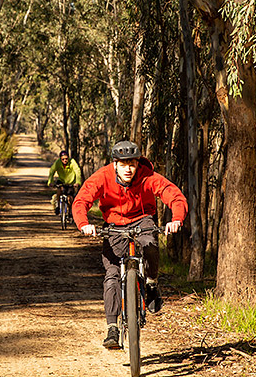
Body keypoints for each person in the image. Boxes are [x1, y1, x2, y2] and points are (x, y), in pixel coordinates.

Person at [71, 140, 187, 349]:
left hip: (143, 219)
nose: (128, 169)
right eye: (123, 164)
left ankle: (151, 282)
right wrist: (84, 224)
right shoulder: (103, 176)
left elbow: (173, 195)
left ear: (138, 163)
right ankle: (112, 328)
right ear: (114, 164)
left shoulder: (147, 176)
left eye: (132, 164)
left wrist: (176, 219)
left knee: (150, 244)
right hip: (114, 224)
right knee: (112, 275)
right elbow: (82, 200)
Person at [46, 150, 82, 215]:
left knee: (70, 197)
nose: (65, 160)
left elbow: (77, 171)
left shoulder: (72, 162)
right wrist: (50, 182)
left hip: (71, 182)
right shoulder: (58, 163)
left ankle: (70, 210)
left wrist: (78, 182)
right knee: (59, 190)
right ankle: (57, 206)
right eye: (63, 159)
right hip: (61, 181)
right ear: (60, 159)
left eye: (66, 159)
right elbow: (52, 171)